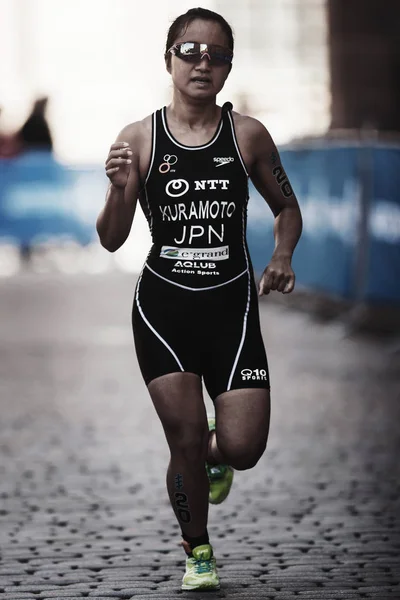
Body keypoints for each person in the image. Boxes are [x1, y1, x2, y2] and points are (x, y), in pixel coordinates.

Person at [96, 7, 302, 591]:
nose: (201, 63)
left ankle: (211, 452)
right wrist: (117, 191)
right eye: (189, 51)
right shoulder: (139, 138)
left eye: (215, 54)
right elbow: (112, 238)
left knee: (242, 447)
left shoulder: (248, 136)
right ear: (168, 60)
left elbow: (287, 208)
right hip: (162, 311)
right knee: (182, 440)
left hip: (232, 312)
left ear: (229, 66)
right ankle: (198, 550)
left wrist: (281, 256)